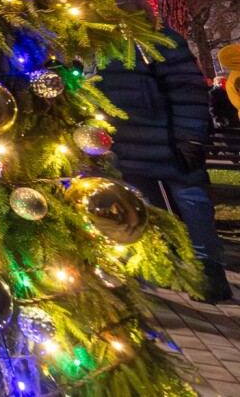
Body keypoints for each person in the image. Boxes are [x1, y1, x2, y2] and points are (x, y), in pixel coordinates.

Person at [100, 29, 233, 303]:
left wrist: (190, 137)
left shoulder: (155, 37)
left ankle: (207, 272)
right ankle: (169, 269)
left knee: (192, 203)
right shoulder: (94, 40)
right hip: (126, 147)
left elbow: (189, 89)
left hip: (170, 143)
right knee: (148, 206)